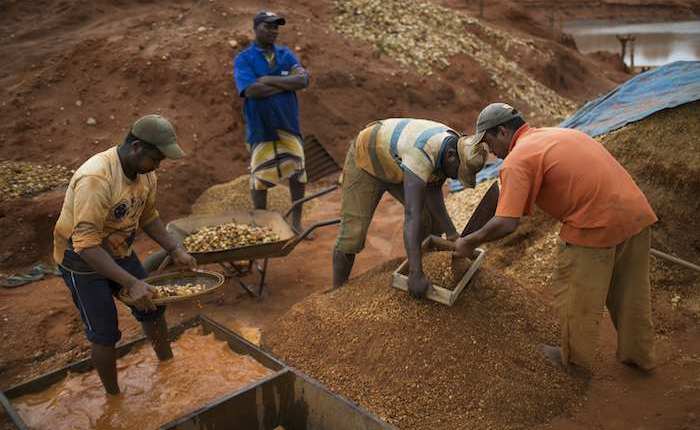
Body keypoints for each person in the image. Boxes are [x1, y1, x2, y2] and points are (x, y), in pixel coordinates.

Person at [454, 103, 657, 372]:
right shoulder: (560, 134)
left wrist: (468, 242)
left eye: (489, 141)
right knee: (631, 293)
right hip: (636, 213)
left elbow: (506, 223)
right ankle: (638, 356)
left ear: (502, 132)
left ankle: (573, 361)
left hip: (593, 224)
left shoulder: (517, 159)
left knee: (577, 295)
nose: (490, 151)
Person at [53, 114, 197, 395]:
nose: (159, 165)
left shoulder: (146, 175)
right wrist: (131, 282)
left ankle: (167, 367)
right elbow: (86, 245)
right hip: (81, 260)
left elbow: (149, 216)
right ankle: (114, 397)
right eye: (156, 158)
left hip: (119, 249)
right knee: (104, 332)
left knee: (152, 307)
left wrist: (175, 248)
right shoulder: (96, 178)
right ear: (136, 147)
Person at [333, 118, 486, 296]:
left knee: (428, 220)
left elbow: (433, 190)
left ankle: (421, 267)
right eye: (457, 173)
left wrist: (452, 235)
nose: (454, 178)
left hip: (395, 162)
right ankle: (336, 293)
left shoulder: (454, 147)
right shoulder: (422, 152)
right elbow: (411, 215)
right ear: (451, 156)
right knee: (353, 234)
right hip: (368, 160)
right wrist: (415, 274)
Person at [233, 11, 310, 233]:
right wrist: (287, 82)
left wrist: (268, 80)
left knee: (298, 172)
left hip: (288, 125)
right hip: (261, 127)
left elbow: (303, 80)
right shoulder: (244, 59)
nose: (274, 31)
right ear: (256, 28)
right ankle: (263, 224)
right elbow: (251, 90)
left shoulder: (286, 55)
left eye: (276, 27)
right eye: (269, 26)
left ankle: (296, 222)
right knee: (260, 178)